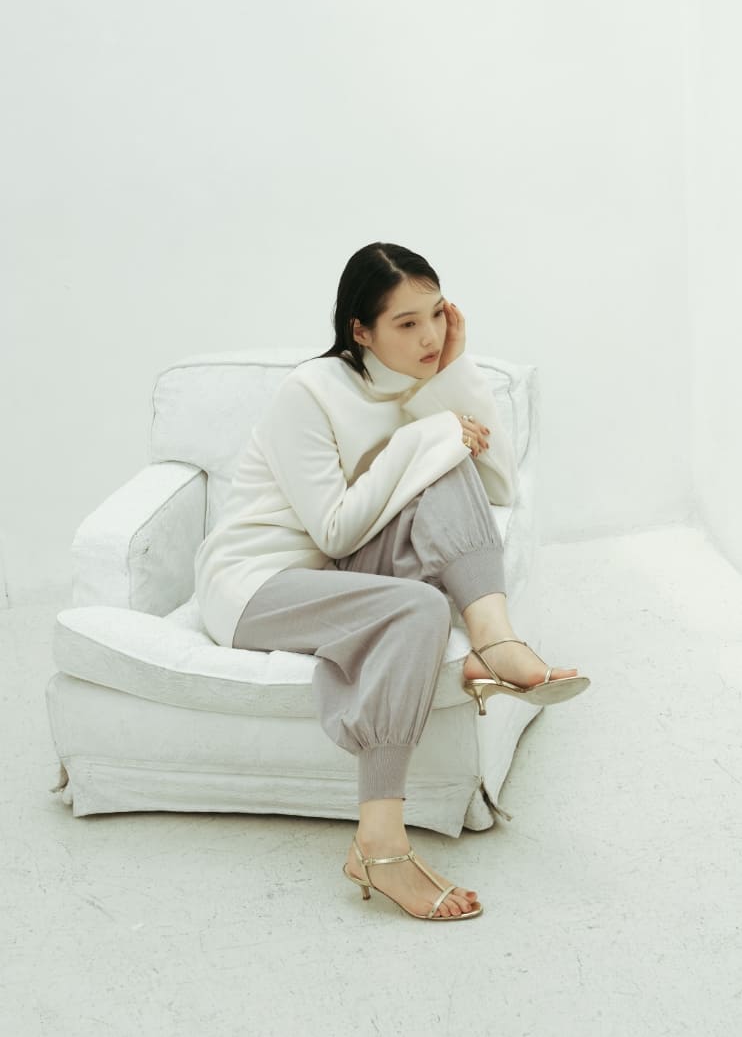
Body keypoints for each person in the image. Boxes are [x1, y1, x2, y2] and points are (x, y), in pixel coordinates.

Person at [194, 241, 590, 921]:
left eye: (436, 314)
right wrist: (425, 436)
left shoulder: (418, 382)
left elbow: (496, 485)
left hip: (335, 576)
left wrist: (454, 375)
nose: (429, 336)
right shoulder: (309, 393)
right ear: (361, 330)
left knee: (448, 465)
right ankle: (379, 845)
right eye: (406, 323)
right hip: (257, 586)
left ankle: (494, 639)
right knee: (418, 609)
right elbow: (333, 531)